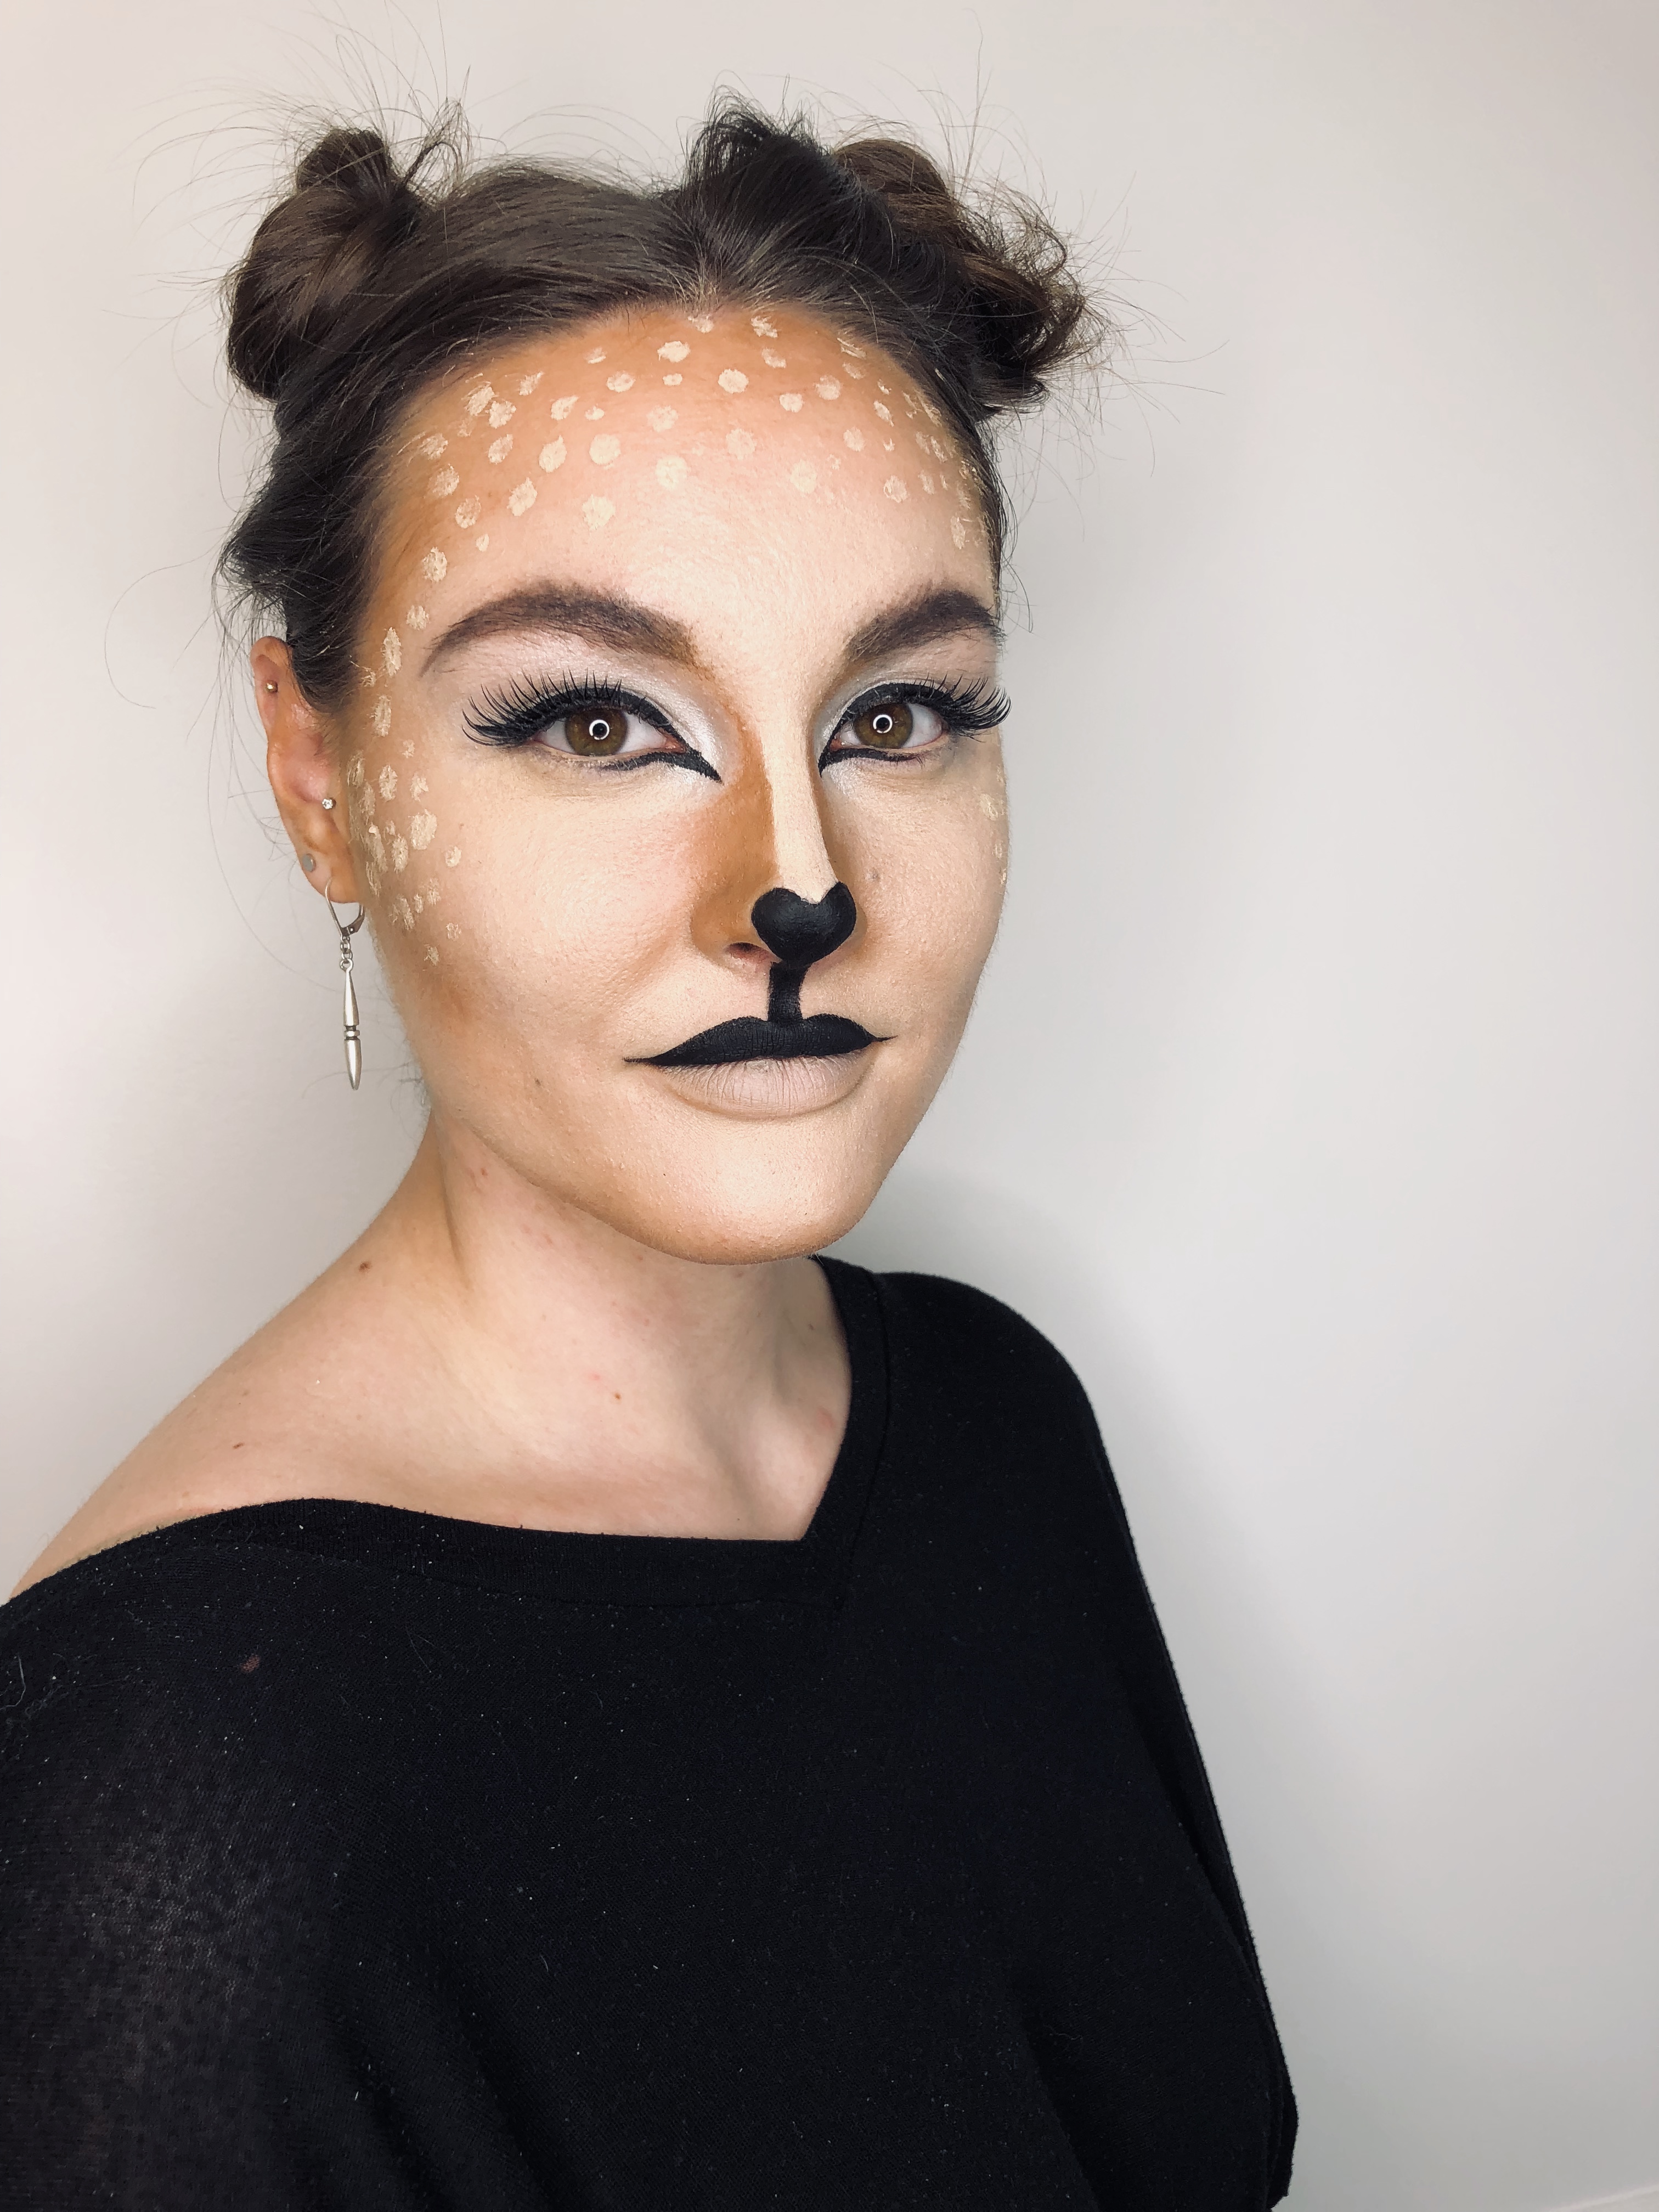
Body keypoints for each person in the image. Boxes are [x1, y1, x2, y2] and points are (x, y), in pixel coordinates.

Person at [0, 100, 1296, 2208]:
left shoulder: (999, 1420)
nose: (799, 888)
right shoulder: (149, 1811)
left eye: (897, 714)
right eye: (597, 720)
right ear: (317, 773)